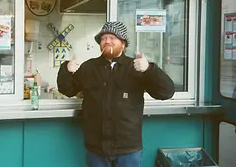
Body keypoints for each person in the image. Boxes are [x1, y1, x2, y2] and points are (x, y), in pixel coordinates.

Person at [57, 21, 175, 167]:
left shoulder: (136, 67)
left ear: (123, 43)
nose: (107, 41)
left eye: (112, 38)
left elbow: (166, 92)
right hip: (96, 147)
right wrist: (66, 69)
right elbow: (67, 89)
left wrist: (150, 70)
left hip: (128, 148)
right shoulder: (89, 67)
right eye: (103, 38)